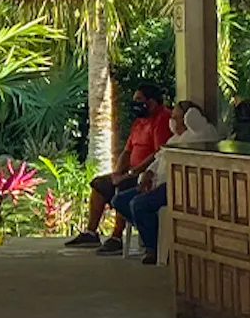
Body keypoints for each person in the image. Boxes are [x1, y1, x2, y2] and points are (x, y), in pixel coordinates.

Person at [65, 82, 173, 249]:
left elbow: (157, 154)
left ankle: (116, 237)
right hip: (129, 171)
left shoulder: (162, 119)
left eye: (139, 100)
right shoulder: (139, 121)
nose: (135, 104)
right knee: (99, 184)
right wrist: (117, 172)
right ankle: (91, 232)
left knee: (123, 187)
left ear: (151, 102)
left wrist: (130, 173)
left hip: (146, 175)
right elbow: (127, 151)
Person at [122, 102, 220, 263]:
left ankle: (152, 248)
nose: (172, 121)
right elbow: (158, 158)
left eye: (176, 117)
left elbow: (197, 123)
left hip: (177, 187)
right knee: (121, 201)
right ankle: (154, 233)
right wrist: (147, 173)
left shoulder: (201, 133)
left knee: (138, 204)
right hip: (156, 184)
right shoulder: (174, 139)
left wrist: (192, 115)